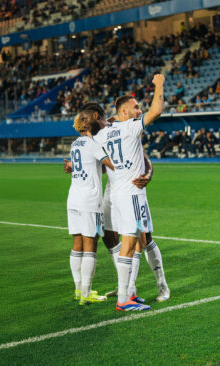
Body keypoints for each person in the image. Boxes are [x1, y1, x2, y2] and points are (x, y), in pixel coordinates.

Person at [81, 74, 169, 311]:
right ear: (123, 113)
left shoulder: (101, 134)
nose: (139, 110)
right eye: (135, 107)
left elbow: (93, 133)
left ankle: (133, 291)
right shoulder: (130, 128)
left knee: (139, 240)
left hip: (119, 192)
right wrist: (159, 84)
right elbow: (157, 110)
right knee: (132, 243)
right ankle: (124, 297)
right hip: (130, 193)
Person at [67, 114, 114, 305]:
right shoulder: (92, 143)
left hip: (73, 199)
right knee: (90, 245)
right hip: (89, 201)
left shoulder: (74, 144)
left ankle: (79, 290)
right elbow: (110, 164)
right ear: (88, 125)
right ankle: (86, 294)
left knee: (77, 244)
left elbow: (92, 167)